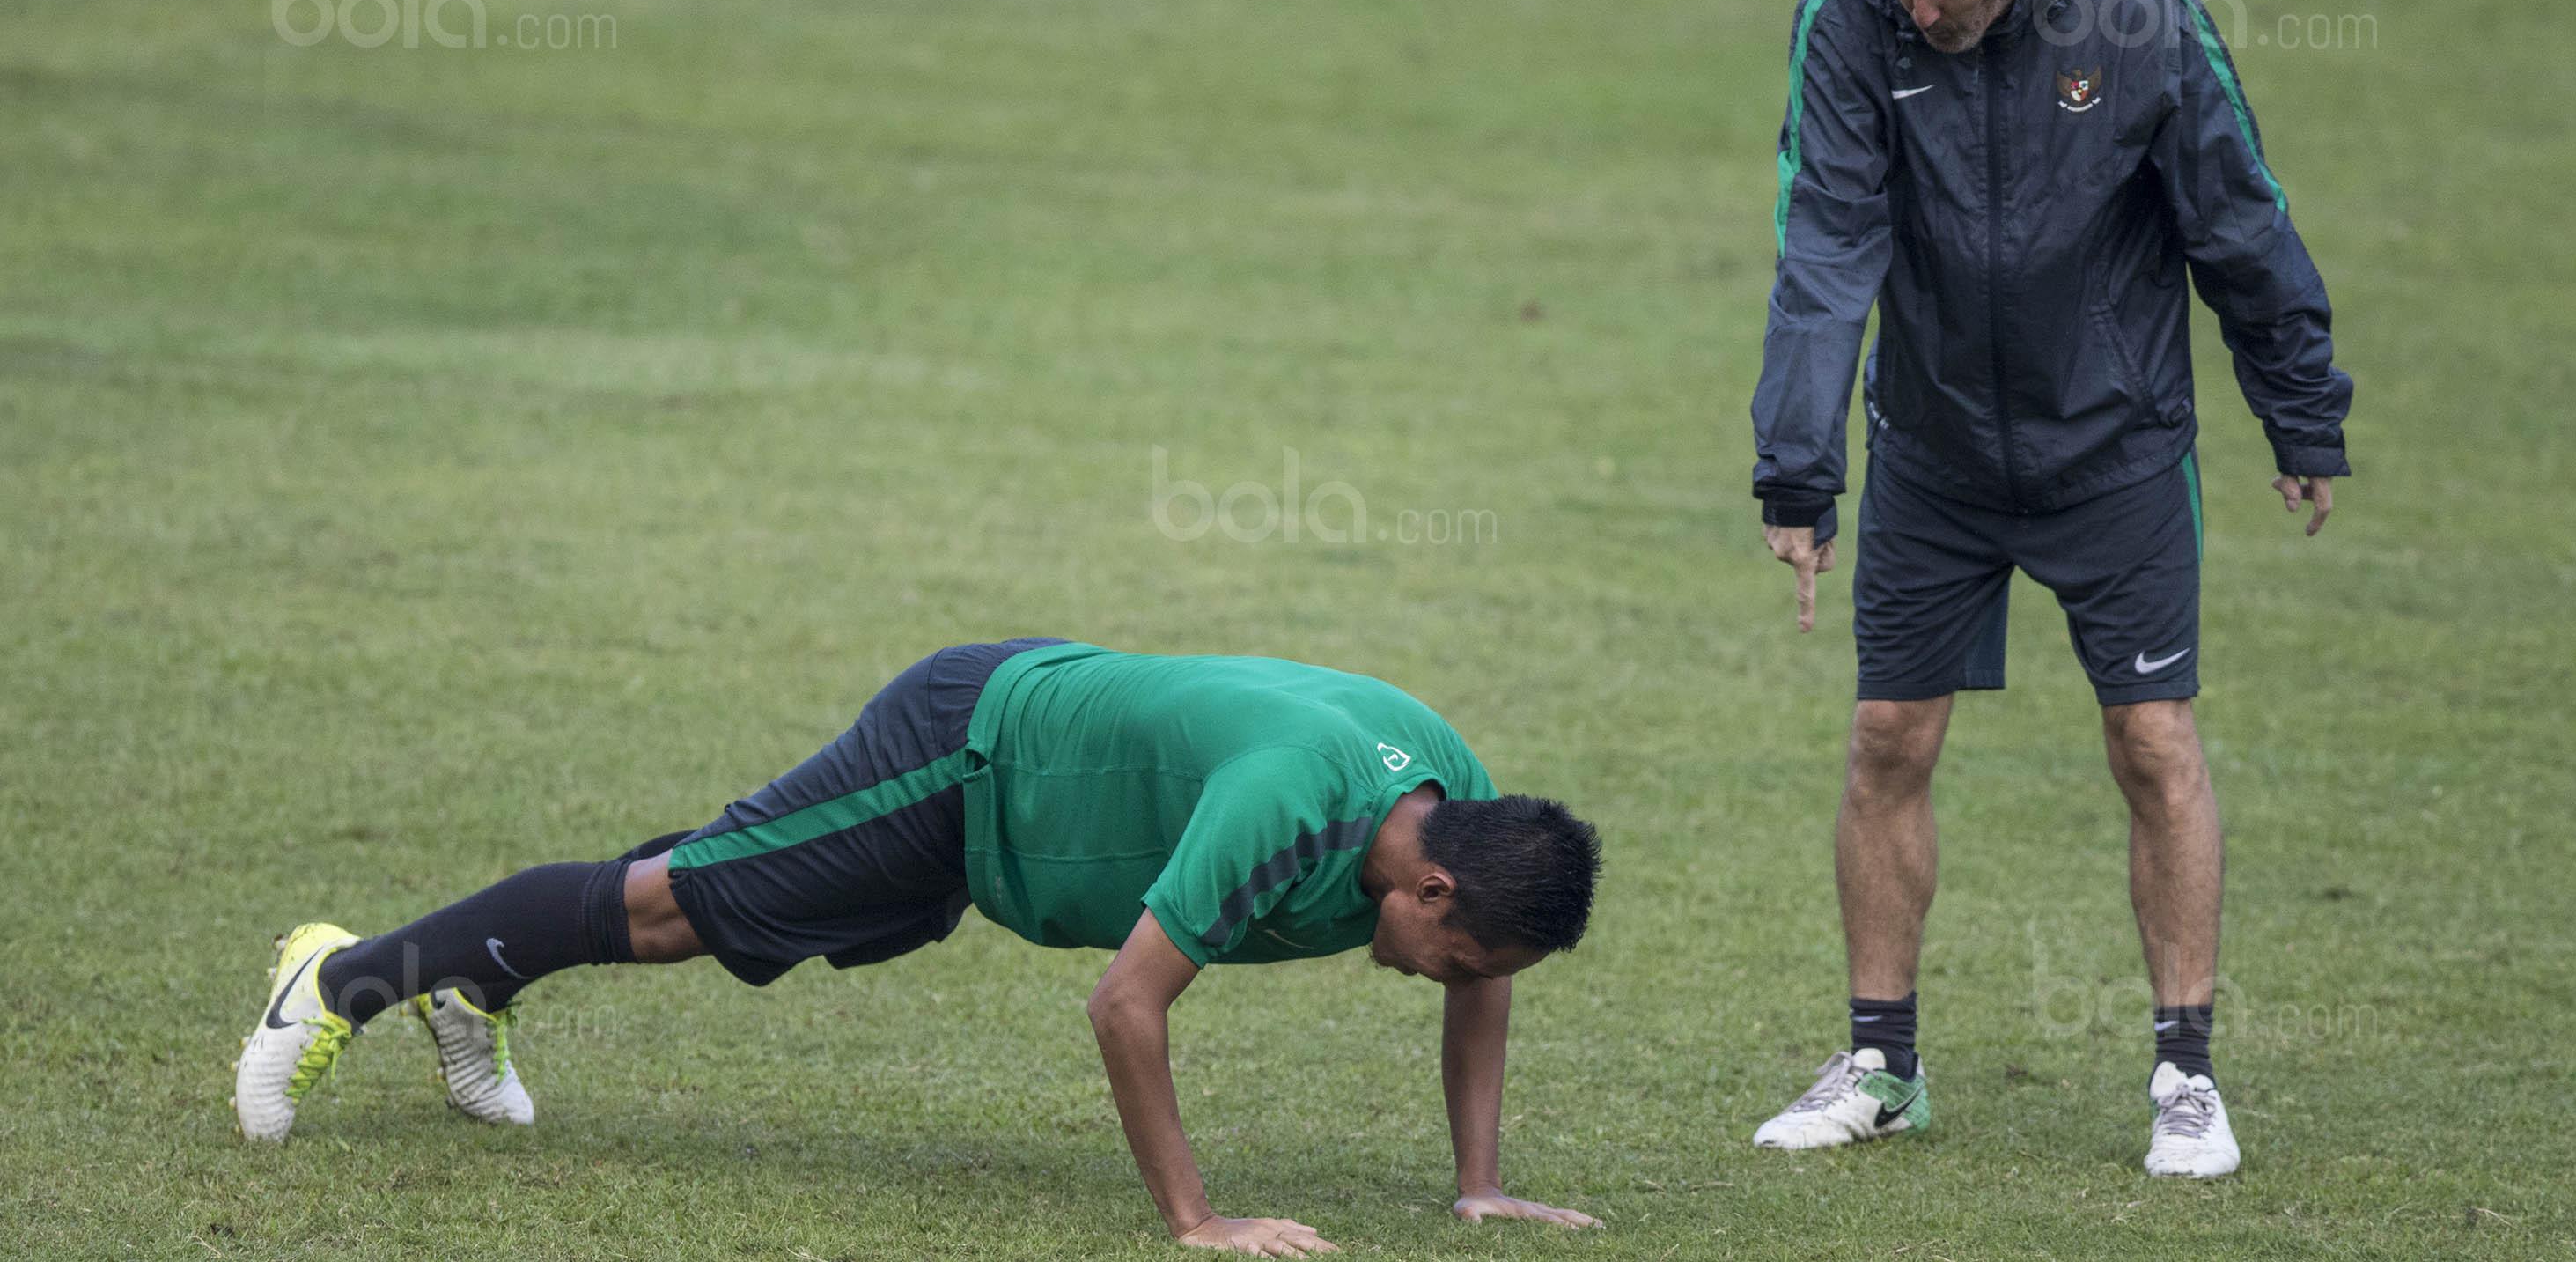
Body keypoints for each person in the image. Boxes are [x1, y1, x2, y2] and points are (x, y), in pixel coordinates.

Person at [234, 638, 1603, 1254]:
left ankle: (477, 977)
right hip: (972, 757)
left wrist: (1479, 1185)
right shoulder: (1291, 808)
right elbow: (1126, 1007)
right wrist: (1198, 1220)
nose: (1458, 988)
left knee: (716, 901)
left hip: (1023, 802)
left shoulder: (1459, 801)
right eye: (1461, 958)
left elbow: (1484, 993)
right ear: (1426, 890)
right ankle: (339, 977)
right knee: (673, 905)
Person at [1745, 0, 2352, 1178]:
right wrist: (1799, 469)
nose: (1920, 5)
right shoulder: (1848, 19)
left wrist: (2300, 406)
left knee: (2153, 742)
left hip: (2118, 451)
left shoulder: (2139, 11)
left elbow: (2237, 219)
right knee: (1886, 738)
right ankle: (1883, 1067)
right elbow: (1826, 239)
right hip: (1934, 455)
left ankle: (2186, 1079)